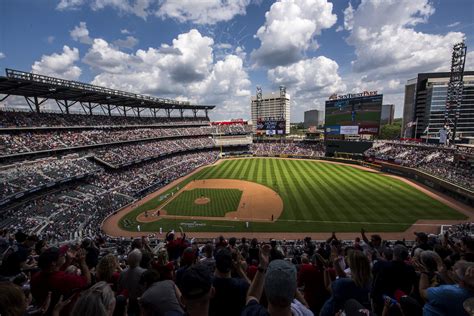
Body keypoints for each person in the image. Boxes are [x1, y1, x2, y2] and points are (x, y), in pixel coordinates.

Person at [241, 244, 312, 316]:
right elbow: (305, 306)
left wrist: (262, 266)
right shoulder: (305, 313)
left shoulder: (252, 313)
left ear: (266, 290)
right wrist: (292, 285)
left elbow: (252, 296)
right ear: (293, 292)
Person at [320, 250, 372, 316]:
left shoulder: (342, 284)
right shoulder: (368, 280)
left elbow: (328, 286)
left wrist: (326, 269)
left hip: (332, 312)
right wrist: (336, 264)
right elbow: (345, 276)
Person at [209, 248, 250, 316]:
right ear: (231, 265)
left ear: (216, 264)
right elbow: (253, 291)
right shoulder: (241, 285)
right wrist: (240, 270)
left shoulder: (208, 284)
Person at [117, 249, 146, 316]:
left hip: (126, 303)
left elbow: (119, 289)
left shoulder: (122, 273)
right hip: (139, 304)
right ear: (139, 260)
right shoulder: (144, 273)